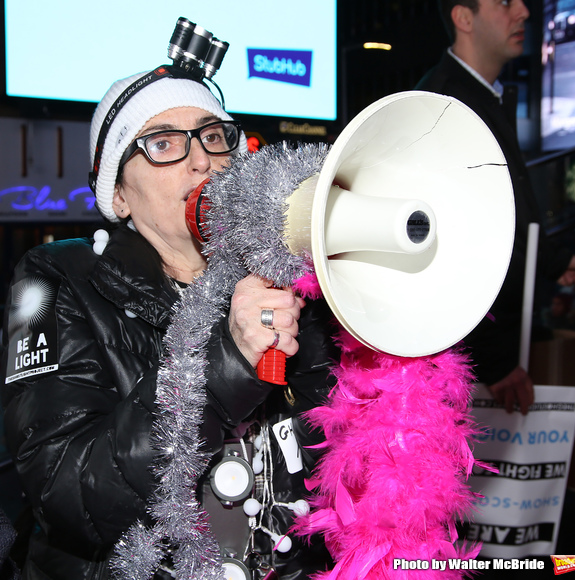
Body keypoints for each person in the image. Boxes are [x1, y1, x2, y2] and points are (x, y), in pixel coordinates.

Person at [0, 65, 338, 579]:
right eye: (162, 143)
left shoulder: (289, 277)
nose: (202, 159)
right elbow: (68, 498)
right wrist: (223, 361)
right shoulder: (52, 280)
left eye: (213, 135)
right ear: (117, 195)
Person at [416, 0, 575, 415]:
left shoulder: (477, 97)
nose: (524, 13)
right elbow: (453, 249)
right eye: (504, 3)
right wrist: (495, 362)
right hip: (468, 366)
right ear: (464, 19)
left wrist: (552, 260)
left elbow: (503, 215)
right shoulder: (449, 106)